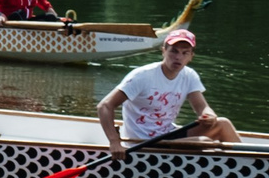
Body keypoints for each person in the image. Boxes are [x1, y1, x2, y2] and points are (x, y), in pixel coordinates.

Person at [99, 26, 239, 154]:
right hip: (141, 142)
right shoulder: (142, 76)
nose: (178, 57)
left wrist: (209, 115)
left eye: (185, 53)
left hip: (168, 135)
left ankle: (252, 164)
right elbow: (105, 106)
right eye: (174, 51)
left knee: (223, 124)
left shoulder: (189, 76)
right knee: (205, 143)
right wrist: (114, 141)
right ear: (164, 51)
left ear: (191, 57)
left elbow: (202, 108)